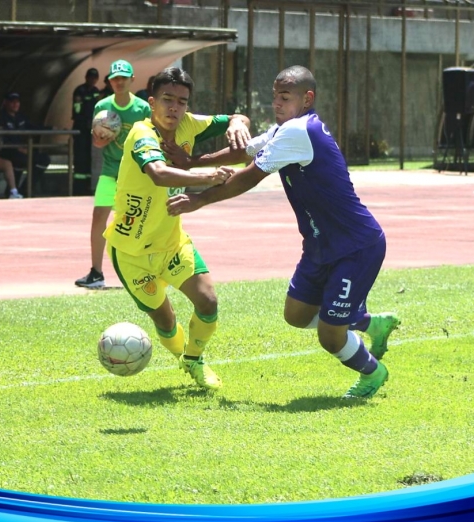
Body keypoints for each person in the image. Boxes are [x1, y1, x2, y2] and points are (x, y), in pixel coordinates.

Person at [167, 65, 400, 399]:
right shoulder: (284, 130)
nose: (276, 103)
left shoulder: (299, 131)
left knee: (330, 337)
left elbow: (249, 174)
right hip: (319, 245)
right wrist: (192, 162)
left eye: (285, 97)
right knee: (296, 315)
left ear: (307, 99)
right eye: (274, 96)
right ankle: (368, 323)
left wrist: (199, 200)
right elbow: (243, 150)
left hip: (355, 246)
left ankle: (373, 373)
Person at [103, 66, 251, 390]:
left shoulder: (188, 124)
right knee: (165, 320)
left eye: (181, 101)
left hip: (171, 243)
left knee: (208, 301)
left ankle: (194, 360)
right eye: (167, 100)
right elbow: (158, 173)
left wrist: (240, 121)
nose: (174, 108)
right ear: (152, 102)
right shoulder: (141, 133)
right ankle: (180, 353)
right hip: (130, 253)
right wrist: (207, 176)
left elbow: (236, 121)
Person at [74, 60, 151, 289]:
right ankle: (96, 273)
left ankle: (142, 272)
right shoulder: (102, 106)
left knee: (134, 224)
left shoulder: (143, 108)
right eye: (115, 78)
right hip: (109, 172)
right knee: (99, 219)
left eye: (124, 78)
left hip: (134, 174)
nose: (119, 82)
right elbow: (96, 142)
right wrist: (99, 140)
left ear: (131, 80)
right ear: (109, 81)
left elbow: (150, 139)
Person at [0, 92, 51, 198]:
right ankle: (12, 191)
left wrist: (51, 128)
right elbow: (0, 139)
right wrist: (17, 148)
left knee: (44, 159)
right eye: (12, 102)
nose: (15, 104)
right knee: (20, 160)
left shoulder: (20, 117)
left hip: (21, 150)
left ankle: (24, 190)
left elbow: (33, 128)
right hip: (6, 151)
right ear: (6, 103)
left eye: (17, 102)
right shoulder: (0, 117)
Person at [72, 68, 101, 194]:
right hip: (80, 128)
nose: (92, 80)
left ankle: (89, 186)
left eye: (95, 77)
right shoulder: (80, 90)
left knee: (90, 157)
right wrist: (84, 120)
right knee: (80, 157)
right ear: (86, 77)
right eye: (91, 77)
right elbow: (77, 109)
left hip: (92, 128)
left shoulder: (95, 91)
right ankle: (78, 187)